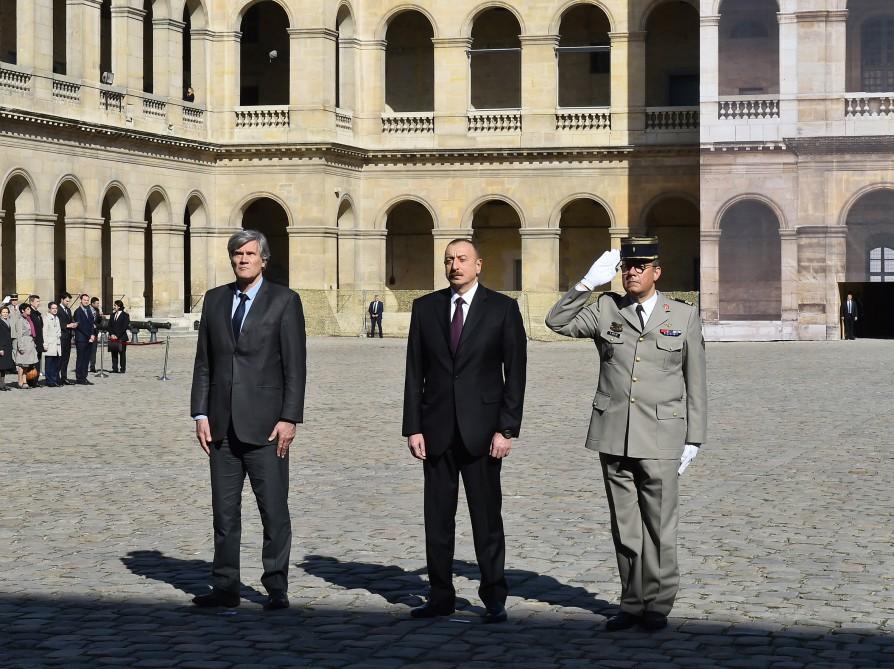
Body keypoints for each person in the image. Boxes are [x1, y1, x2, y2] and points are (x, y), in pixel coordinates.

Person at [545, 237, 707, 632]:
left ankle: (658, 602)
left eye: (640, 265)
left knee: (660, 525)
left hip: (663, 436)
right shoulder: (605, 308)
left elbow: (696, 380)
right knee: (625, 524)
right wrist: (586, 285)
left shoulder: (682, 316)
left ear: (657, 271)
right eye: (626, 266)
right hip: (614, 433)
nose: (631, 272)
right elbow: (557, 322)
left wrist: (695, 437)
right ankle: (631, 602)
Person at [402, 238, 527, 624]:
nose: (454, 265)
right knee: (437, 520)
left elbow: (515, 374)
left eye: (461, 259)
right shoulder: (425, 308)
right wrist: (413, 427)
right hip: (436, 431)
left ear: (479, 264)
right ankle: (440, 595)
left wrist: (506, 429)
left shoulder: (503, 309)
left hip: (484, 433)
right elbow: (414, 371)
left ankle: (493, 595)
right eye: (448, 260)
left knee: (486, 519)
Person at [190, 229, 306, 611]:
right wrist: (200, 412)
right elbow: (204, 361)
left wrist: (289, 418)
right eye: (237, 254)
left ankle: (276, 585)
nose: (243, 259)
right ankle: (225, 586)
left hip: (267, 426)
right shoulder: (215, 299)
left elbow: (295, 367)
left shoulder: (285, 301)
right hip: (221, 425)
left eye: (250, 254)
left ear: (263, 260)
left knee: (273, 510)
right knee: (224, 514)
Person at [13, 303, 39, 389]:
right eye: (28, 309)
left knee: (26, 365)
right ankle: (20, 381)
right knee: (22, 364)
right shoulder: (20, 320)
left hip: (30, 343)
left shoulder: (28, 319)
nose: (29, 310)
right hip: (24, 343)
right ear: (22, 310)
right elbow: (19, 334)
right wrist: (20, 346)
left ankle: (25, 380)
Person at [73, 294, 96, 385]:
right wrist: (89, 336)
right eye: (84, 300)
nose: (86, 301)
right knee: (81, 359)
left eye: (87, 300)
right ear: (81, 301)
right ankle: (79, 378)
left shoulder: (89, 310)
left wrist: (93, 334)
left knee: (86, 359)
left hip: (89, 338)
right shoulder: (78, 312)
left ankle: (84, 377)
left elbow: (92, 324)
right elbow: (80, 326)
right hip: (81, 339)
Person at [57, 292, 77, 385]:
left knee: (66, 358)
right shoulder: (57, 309)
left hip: (68, 337)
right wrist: (67, 325)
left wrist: (74, 324)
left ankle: (64, 377)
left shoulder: (68, 310)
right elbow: (57, 323)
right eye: (66, 301)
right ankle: (57, 377)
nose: (68, 303)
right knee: (59, 358)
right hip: (61, 337)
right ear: (62, 299)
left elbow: (70, 320)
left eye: (69, 301)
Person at [42, 302, 62, 387]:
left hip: (57, 343)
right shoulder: (46, 318)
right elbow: (44, 332)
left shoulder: (57, 318)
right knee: (49, 363)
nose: (55, 310)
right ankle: (49, 380)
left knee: (56, 363)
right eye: (53, 308)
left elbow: (59, 329)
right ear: (49, 309)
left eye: (56, 308)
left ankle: (54, 379)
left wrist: (59, 334)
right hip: (50, 343)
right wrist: (45, 344)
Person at [108, 299, 130, 373]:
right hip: (113, 337)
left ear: (119, 306)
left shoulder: (125, 315)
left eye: (115, 305)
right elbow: (109, 326)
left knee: (122, 354)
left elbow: (124, 327)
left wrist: (117, 335)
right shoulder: (112, 315)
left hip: (121, 338)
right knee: (114, 353)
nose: (114, 307)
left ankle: (122, 368)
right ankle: (114, 368)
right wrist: (112, 334)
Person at [28, 295, 43, 384]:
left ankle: (36, 380)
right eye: (37, 301)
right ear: (31, 302)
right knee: (32, 362)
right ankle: (31, 380)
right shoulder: (30, 313)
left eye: (39, 301)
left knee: (38, 361)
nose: (39, 303)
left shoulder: (37, 313)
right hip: (33, 341)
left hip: (39, 340)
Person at [0, 305, 15, 390]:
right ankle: (1, 385)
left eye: (6, 312)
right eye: (3, 312)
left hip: (7, 346)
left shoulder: (7, 321)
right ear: (0, 314)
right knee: (1, 367)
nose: (5, 314)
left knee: (4, 367)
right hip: (2, 347)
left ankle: (2, 384)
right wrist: (0, 348)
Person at [89, 297, 102, 372]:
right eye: (97, 303)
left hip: (95, 332)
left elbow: (98, 322)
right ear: (92, 303)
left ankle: (92, 366)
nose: (98, 304)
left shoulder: (97, 310)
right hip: (88, 333)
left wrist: (100, 316)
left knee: (94, 350)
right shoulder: (87, 309)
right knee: (87, 350)